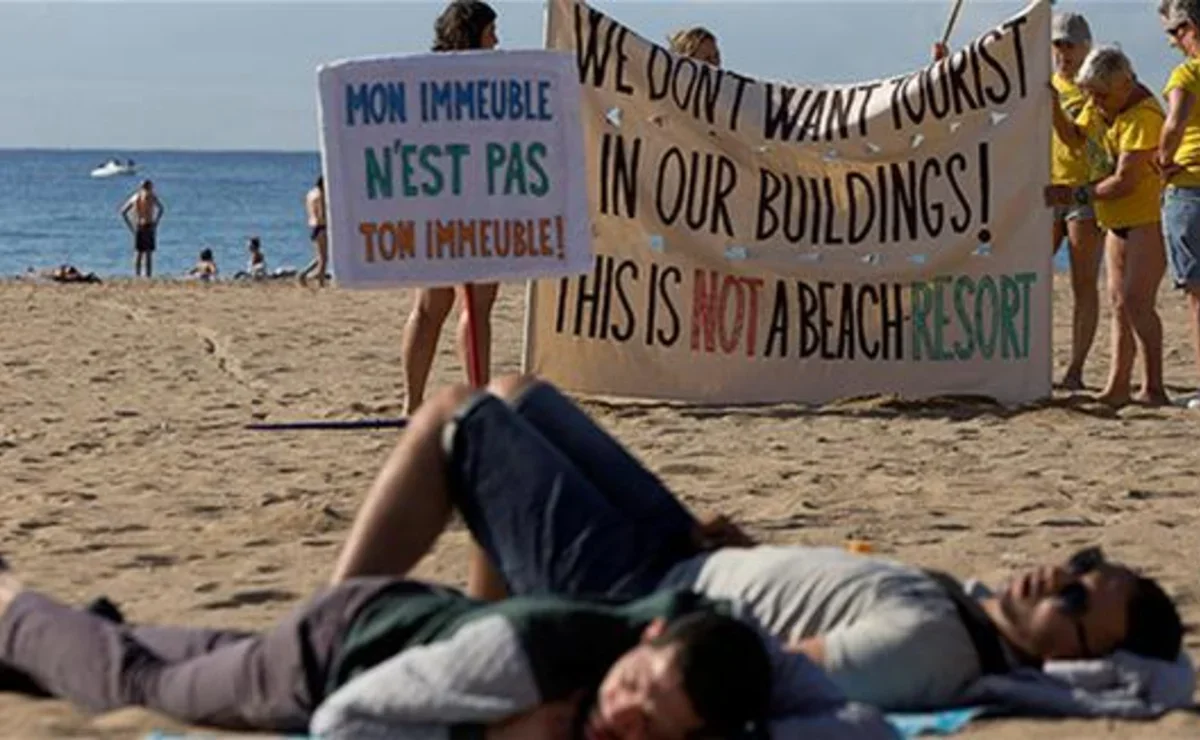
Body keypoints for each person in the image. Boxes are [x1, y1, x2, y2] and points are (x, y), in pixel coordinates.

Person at [330, 375, 1185, 712]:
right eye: (1082, 565)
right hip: (692, 554)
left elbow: (770, 671)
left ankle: (331, 636)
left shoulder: (928, 650)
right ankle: (477, 637)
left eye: (1075, 599)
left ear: (1074, 660)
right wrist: (754, 554)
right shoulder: (960, 609)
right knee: (517, 395)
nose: (1058, 576)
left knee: (457, 417)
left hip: (642, 596)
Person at [0, 555, 893, 740]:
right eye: (633, 689)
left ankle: (47, 633)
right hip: (332, 660)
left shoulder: (724, 654)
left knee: (200, 655)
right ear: (649, 637)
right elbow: (345, 723)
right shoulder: (526, 661)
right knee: (143, 684)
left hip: (410, 624)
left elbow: (862, 726)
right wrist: (485, 736)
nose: (622, 717)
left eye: (651, 728)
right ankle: (12, 607)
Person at [1045, 46, 1168, 407]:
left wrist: (1076, 194)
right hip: (1114, 220)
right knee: (1119, 303)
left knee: (1137, 301)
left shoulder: (1143, 116)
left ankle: (1154, 386)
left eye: (1102, 95)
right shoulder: (1098, 105)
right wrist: (1053, 107)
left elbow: (1125, 181)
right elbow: (1074, 137)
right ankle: (1118, 385)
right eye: (1091, 95)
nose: (1095, 103)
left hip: (1145, 218)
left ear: (1125, 85)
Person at [400, 0, 501, 416]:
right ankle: (474, 396)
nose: (497, 41)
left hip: (437, 203)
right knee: (468, 308)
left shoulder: (425, 81)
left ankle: (413, 402)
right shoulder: (489, 83)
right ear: (473, 33)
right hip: (469, 200)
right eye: (491, 32)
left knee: (432, 307)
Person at [1049, 13, 1107, 391]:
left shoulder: (1093, 88)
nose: (1063, 53)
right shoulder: (1045, 83)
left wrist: (1052, 104)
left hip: (1084, 191)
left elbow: (1074, 138)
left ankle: (1075, 369)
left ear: (1086, 47)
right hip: (1047, 190)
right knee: (1031, 276)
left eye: (1070, 45)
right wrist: (944, 63)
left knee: (1083, 283)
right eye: (1057, 44)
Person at [1159, 0, 1200, 408]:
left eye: (1175, 33)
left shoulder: (1188, 73)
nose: (1173, 42)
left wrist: (1163, 160)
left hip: (1190, 185)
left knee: (1197, 296)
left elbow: (1175, 123)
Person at [119, 179, 165, 278]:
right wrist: (156, 223)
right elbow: (161, 209)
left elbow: (123, 211)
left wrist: (131, 226)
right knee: (147, 253)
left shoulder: (135, 197)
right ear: (149, 187)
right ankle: (148, 275)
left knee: (139, 252)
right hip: (148, 225)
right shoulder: (151, 196)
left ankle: (137, 275)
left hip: (139, 225)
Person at [299, 176, 328, 287]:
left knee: (320, 256)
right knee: (323, 258)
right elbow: (321, 213)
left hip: (313, 225)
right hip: (321, 225)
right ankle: (319, 281)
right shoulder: (321, 195)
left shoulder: (310, 194)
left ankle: (305, 274)